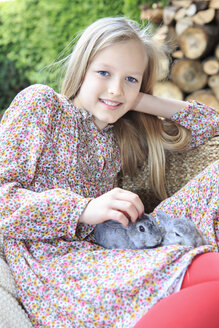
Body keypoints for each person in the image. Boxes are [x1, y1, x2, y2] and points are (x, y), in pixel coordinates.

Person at [0, 16, 218, 328]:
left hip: (119, 239)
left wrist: (140, 99)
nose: (115, 90)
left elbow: (212, 125)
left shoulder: (120, 136)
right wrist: (83, 208)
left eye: (130, 79)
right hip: (61, 266)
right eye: (104, 73)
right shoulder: (41, 105)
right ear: (82, 69)